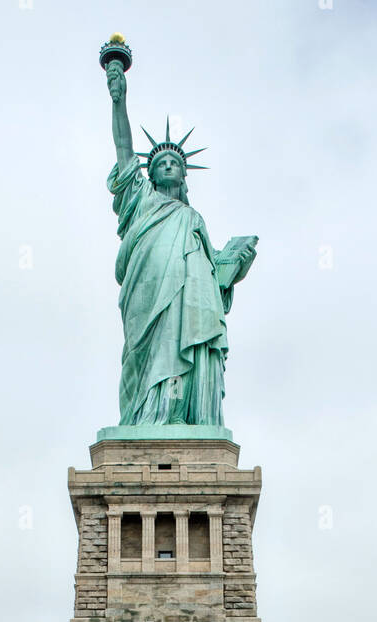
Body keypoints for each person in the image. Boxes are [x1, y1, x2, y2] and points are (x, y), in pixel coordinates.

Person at [105, 60, 257, 427]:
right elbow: (124, 149)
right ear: (151, 173)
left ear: (185, 174)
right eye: (161, 162)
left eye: (175, 161)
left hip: (190, 301)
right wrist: (118, 101)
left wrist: (235, 264)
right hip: (147, 294)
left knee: (180, 349)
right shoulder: (140, 200)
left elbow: (214, 273)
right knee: (148, 355)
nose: (169, 166)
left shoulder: (193, 219)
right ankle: (146, 419)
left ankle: (178, 417)